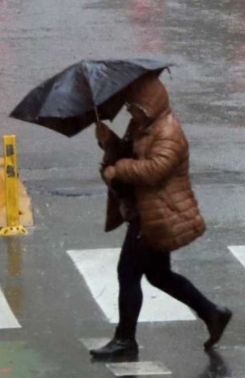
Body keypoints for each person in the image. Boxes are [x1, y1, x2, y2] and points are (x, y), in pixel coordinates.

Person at [90, 73, 232, 358]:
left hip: (157, 214)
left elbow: (154, 170)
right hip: (146, 211)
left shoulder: (168, 132)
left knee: (128, 272)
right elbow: (131, 155)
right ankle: (212, 313)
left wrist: (119, 170)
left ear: (148, 105)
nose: (129, 111)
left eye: (134, 106)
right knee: (158, 275)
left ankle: (125, 339)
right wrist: (110, 143)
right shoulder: (143, 125)